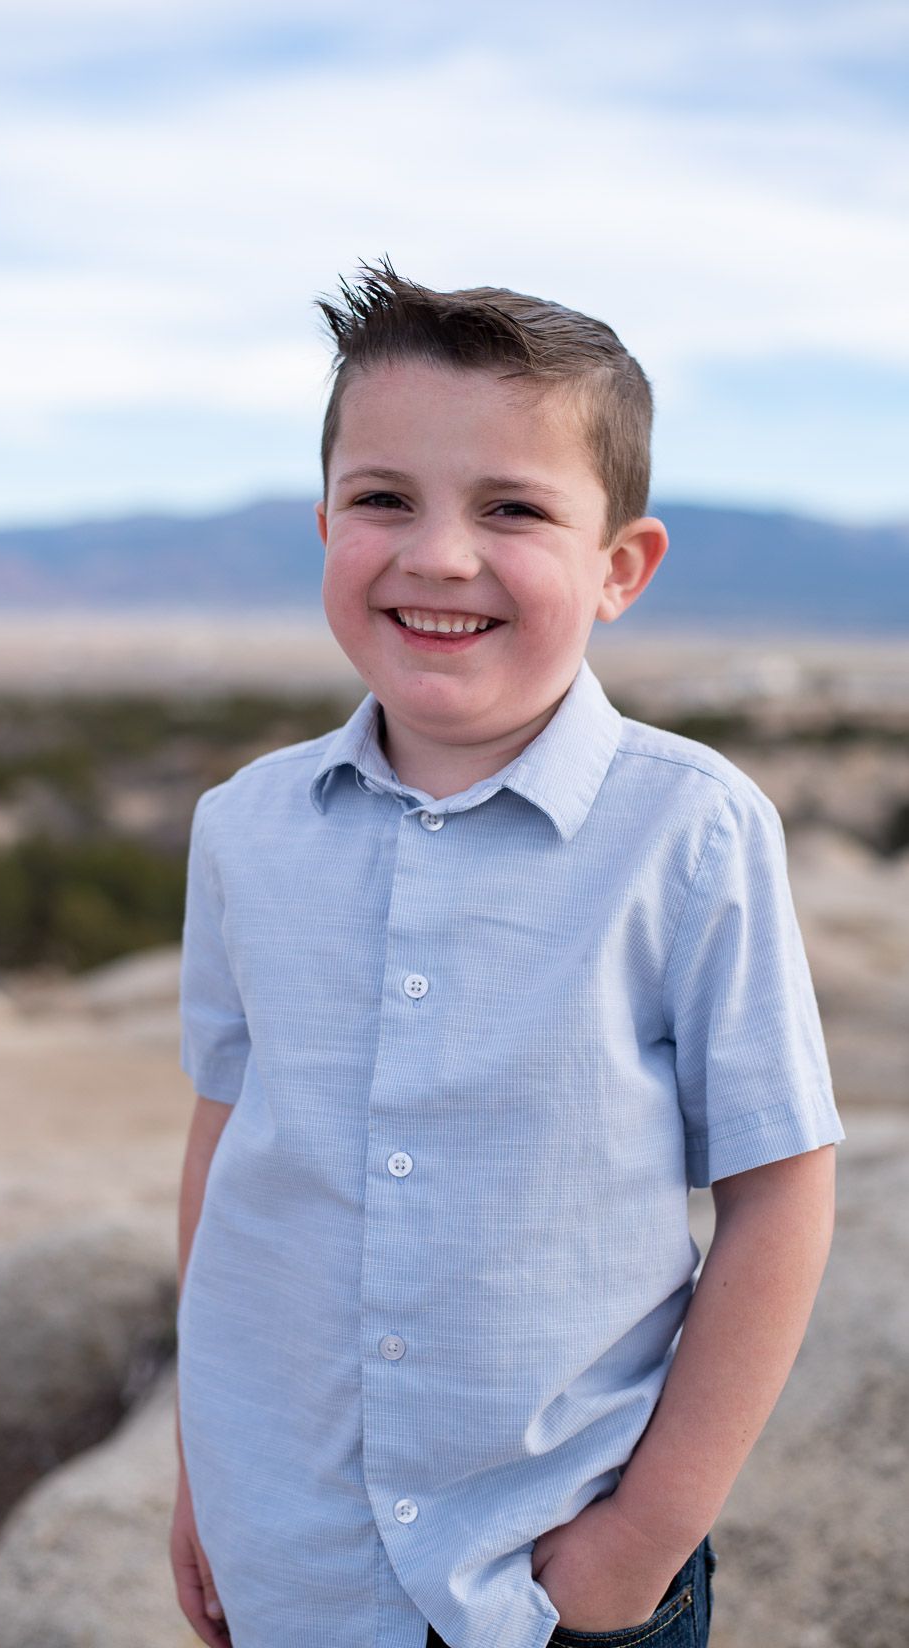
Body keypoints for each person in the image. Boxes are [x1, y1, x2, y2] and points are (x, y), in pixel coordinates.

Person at [169, 258, 844, 1648]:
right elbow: (231, 1141)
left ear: (621, 569)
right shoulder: (247, 830)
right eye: (383, 501)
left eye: (513, 509)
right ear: (324, 528)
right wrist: (204, 1468)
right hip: (292, 1549)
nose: (439, 556)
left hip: (553, 1580)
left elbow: (780, 1196)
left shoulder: (692, 832)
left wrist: (638, 1545)